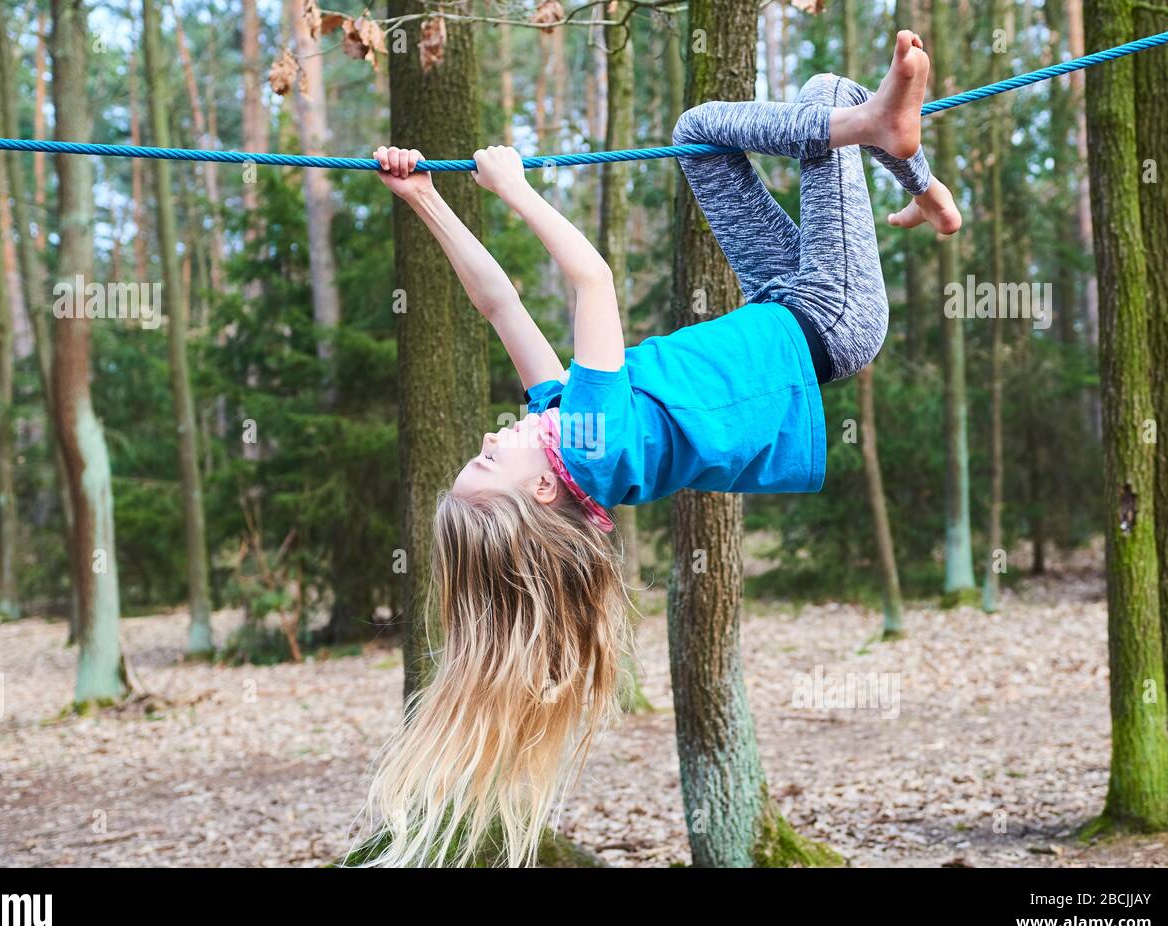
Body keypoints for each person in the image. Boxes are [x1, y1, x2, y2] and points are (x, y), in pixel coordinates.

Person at [351, 31, 960, 867]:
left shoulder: (568, 426)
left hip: (784, 298)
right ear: (538, 495)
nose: (490, 438)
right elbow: (592, 280)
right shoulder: (596, 443)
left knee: (715, 135)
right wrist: (517, 190)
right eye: (490, 459)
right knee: (817, 107)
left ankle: (919, 184)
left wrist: (424, 199)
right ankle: (894, 148)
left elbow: (498, 307)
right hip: (832, 315)